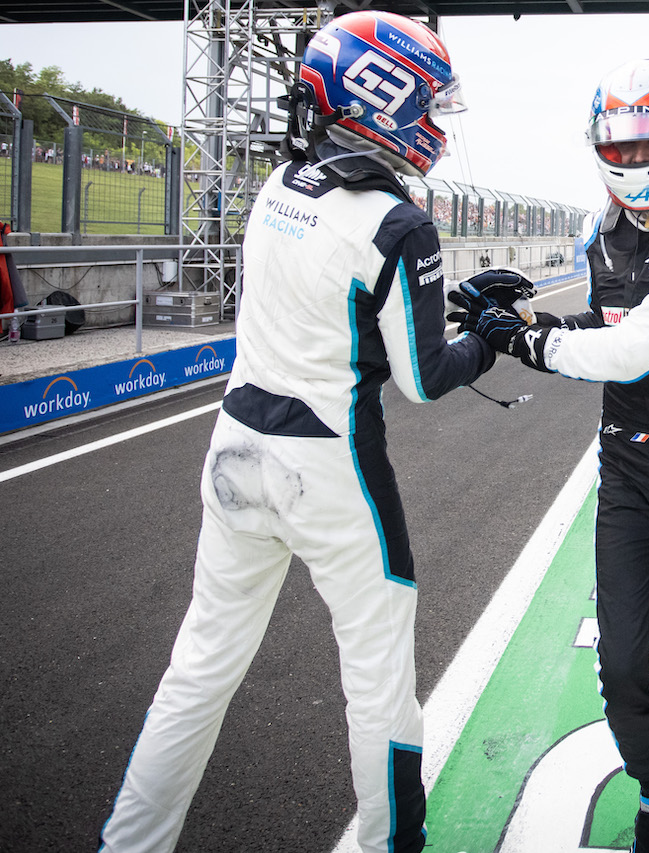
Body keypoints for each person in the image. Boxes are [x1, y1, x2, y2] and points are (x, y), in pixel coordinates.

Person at [98, 13, 494, 853]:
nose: (436, 125)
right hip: (332, 467)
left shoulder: (276, 185)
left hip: (234, 444)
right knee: (379, 687)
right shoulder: (400, 222)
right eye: (427, 103)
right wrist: (487, 335)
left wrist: (438, 303)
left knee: (197, 672)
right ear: (382, 99)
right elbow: (422, 378)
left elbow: (322, 297)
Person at [448, 59, 649, 853]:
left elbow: (638, 345)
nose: (635, 159)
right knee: (620, 665)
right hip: (626, 468)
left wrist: (523, 341)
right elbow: (609, 314)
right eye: (618, 146)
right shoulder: (598, 229)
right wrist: (521, 312)